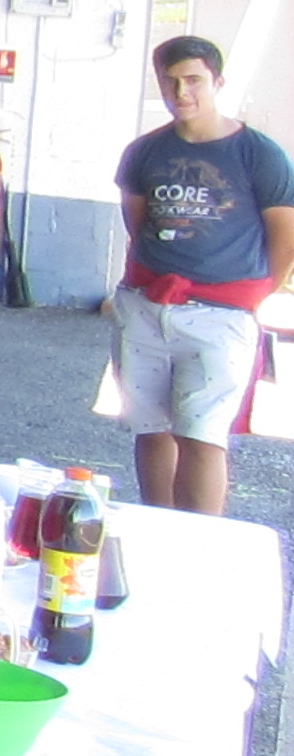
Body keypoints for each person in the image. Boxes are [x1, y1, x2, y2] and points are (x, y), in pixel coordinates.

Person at [111, 34, 294, 515]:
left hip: (221, 315)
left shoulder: (259, 154)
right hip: (147, 308)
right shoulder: (143, 153)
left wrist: (253, 291)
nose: (182, 92)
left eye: (194, 80)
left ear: (217, 82)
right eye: (170, 82)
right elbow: (138, 221)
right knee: (150, 426)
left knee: (203, 433)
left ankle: (199, 544)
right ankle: (155, 524)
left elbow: (284, 235)